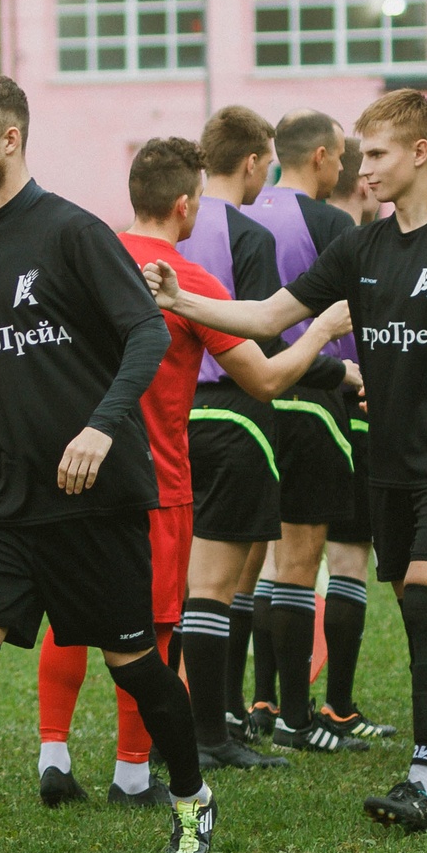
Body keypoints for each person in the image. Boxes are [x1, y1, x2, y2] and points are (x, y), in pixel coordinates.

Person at [0, 74, 227, 853]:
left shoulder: (73, 232)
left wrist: (101, 427)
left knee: (134, 662)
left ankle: (193, 795)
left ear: (10, 141)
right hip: (5, 493)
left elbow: (144, 332)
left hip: (93, 494)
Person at [162, 89, 427, 832]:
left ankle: (424, 775)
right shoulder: (362, 247)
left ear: (420, 153)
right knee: (425, 603)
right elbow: (267, 318)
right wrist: (185, 302)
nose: (366, 171)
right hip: (386, 461)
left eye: (381, 154)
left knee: (426, 596)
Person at [55, 136, 352, 799]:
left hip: (76, 465)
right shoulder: (186, 279)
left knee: (75, 614)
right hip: (160, 470)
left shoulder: (84, 263)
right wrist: (327, 337)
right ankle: (172, 752)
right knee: (175, 613)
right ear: (185, 207)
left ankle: (59, 755)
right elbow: (268, 377)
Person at [244, 109, 373, 754]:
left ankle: (262, 701)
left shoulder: (242, 212)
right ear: (321, 156)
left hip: (248, 401)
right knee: (304, 564)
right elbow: (352, 315)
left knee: (262, 565)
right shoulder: (332, 224)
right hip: (315, 395)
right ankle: (306, 717)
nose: (349, 168)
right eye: (345, 156)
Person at [173, 107, 298, 765]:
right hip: (235, 409)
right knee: (217, 587)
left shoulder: (158, 229)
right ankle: (212, 733)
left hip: (164, 418)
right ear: (251, 162)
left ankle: (171, 731)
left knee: (176, 584)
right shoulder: (248, 235)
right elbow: (263, 331)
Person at [314, 134, 390, 743]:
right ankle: (336, 705)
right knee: (347, 560)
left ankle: (265, 703)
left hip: (300, 405)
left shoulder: (302, 229)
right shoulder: (359, 246)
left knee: (279, 564)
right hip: (356, 408)